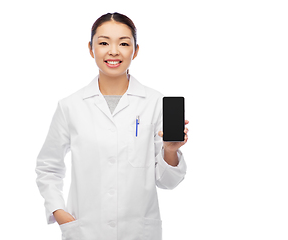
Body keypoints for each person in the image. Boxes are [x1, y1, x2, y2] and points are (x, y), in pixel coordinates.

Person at [35, 12, 189, 240]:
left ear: (135, 51)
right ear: (91, 49)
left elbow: (167, 182)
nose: (114, 51)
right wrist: (59, 213)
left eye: (124, 43)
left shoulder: (155, 102)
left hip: (139, 232)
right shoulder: (70, 106)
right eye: (104, 43)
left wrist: (170, 151)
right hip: (86, 231)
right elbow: (48, 167)